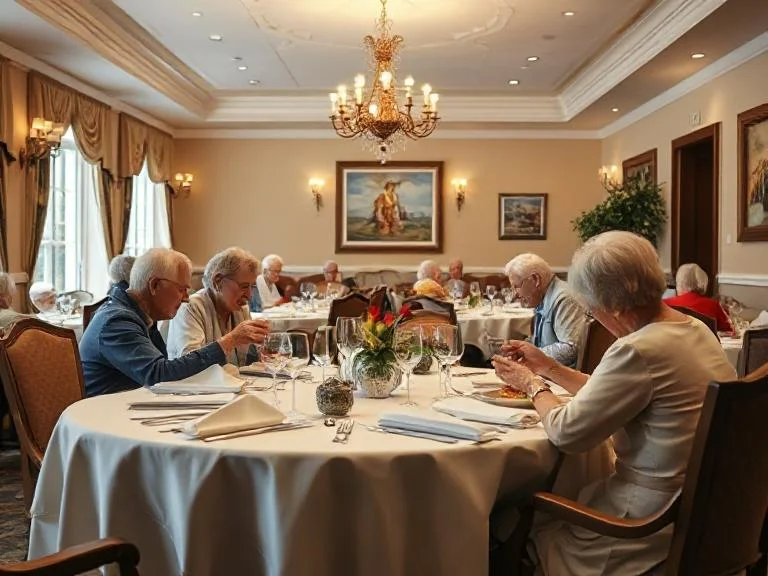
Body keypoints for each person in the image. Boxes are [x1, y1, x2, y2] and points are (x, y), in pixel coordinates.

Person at [493, 231, 736, 575]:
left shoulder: (638, 349)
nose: (594, 318)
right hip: (712, 514)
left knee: (513, 518)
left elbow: (567, 432)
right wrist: (548, 368)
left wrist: (531, 384)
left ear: (617, 306)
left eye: (593, 310)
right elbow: (610, 390)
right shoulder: (694, 329)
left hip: (646, 527)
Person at [79, 248, 269, 397]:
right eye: (182, 290)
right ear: (154, 285)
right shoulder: (117, 321)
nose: (186, 299)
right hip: (107, 419)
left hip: (130, 407)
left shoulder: (139, 316)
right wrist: (229, 341)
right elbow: (159, 375)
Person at [167, 247, 267, 366]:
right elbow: (189, 363)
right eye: (244, 286)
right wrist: (232, 339)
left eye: (252, 287)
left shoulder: (240, 309)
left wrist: (262, 346)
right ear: (218, 281)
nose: (249, 296)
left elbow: (245, 362)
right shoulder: (190, 308)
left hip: (231, 383)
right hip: (194, 384)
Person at [504, 253, 585, 367]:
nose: (516, 295)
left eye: (517, 286)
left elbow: (571, 349)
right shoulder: (543, 297)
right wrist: (520, 348)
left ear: (535, 279)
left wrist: (528, 354)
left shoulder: (565, 298)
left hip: (562, 379)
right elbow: (544, 342)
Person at [664, 263, 733, 332]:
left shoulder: (665, 304)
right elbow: (728, 331)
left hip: (671, 342)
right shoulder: (713, 305)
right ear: (703, 282)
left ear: (679, 283)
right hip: (704, 342)